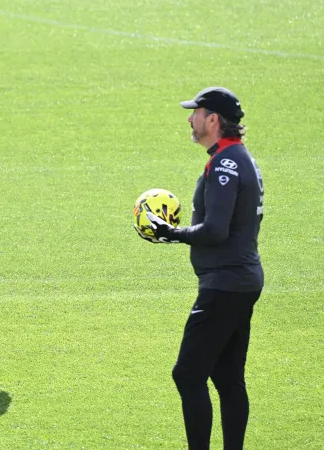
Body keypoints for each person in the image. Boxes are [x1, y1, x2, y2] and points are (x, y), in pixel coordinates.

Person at [136, 87, 264, 449]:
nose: (190, 119)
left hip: (225, 286)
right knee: (226, 376)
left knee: (188, 374)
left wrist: (170, 232)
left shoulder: (226, 162)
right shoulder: (235, 157)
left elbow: (215, 230)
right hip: (240, 280)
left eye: (196, 112)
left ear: (213, 120)